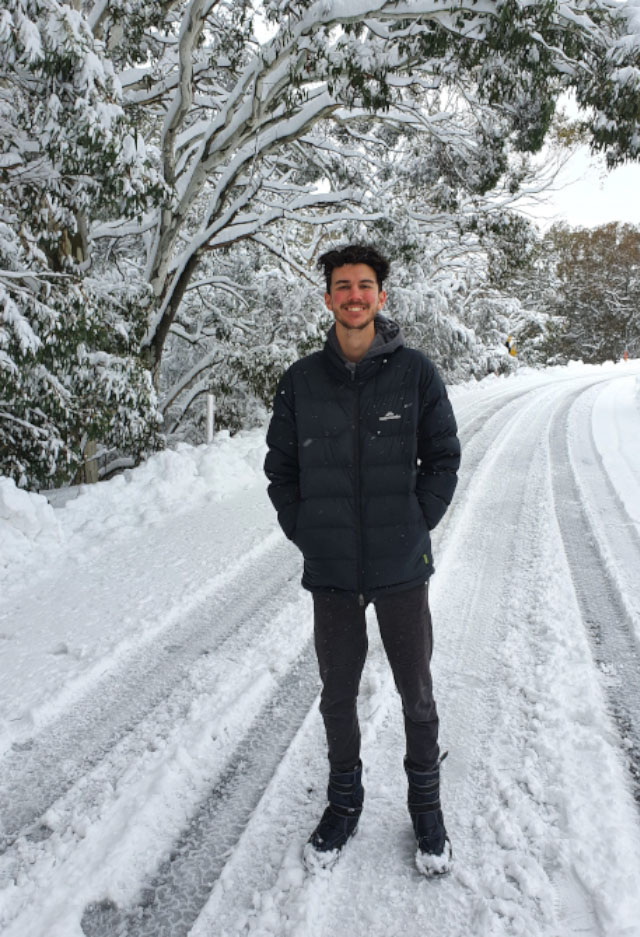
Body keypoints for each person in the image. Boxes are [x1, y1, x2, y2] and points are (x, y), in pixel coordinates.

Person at [264, 244, 460, 876]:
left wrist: (416, 520)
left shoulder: (417, 373)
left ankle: (426, 806)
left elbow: (444, 456)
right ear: (327, 298)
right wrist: (305, 530)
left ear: (381, 297)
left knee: (417, 691)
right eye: (342, 286)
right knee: (337, 693)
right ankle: (344, 801)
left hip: (401, 565)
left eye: (364, 285)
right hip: (333, 572)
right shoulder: (300, 380)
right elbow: (281, 469)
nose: (354, 295)